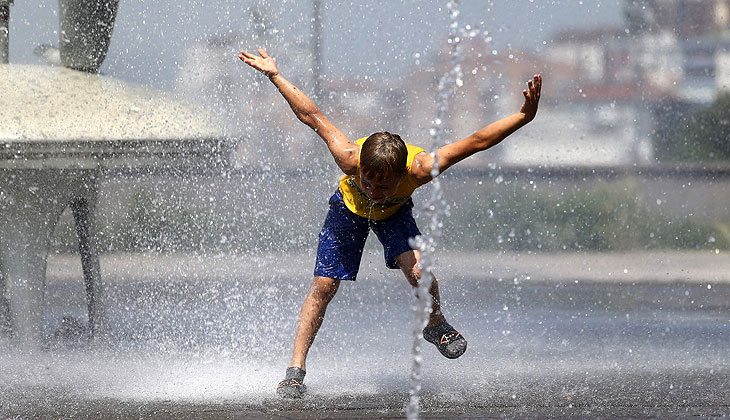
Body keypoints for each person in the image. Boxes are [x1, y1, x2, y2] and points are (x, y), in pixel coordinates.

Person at [238, 48, 542, 398]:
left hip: (396, 214)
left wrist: (523, 117)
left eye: (383, 185)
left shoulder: (421, 168)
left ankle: (435, 324)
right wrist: (275, 75)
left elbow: (475, 142)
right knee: (323, 286)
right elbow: (311, 115)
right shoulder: (349, 157)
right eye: (368, 182)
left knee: (418, 272)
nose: (374, 190)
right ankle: (295, 371)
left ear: (402, 175)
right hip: (347, 211)